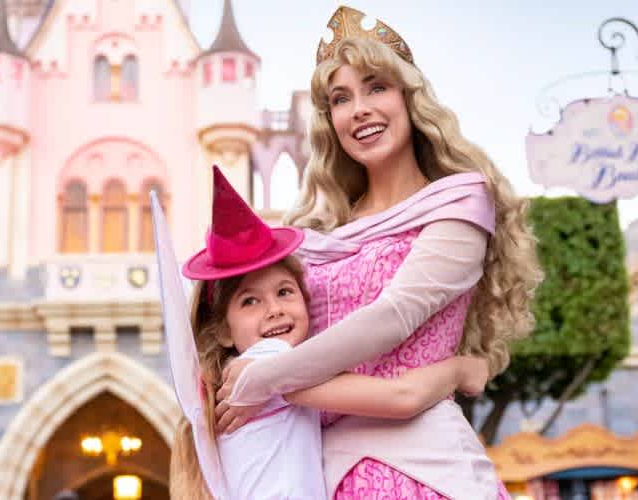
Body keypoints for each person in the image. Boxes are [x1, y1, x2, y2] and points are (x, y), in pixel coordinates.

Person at [214, 5, 542, 499]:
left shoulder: (458, 204)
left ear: (410, 98)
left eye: (376, 87)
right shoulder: (318, 234)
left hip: (426, 471)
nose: (359, 109)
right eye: (341, 99)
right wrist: (452, 373)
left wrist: (265, 381)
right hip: (320, 473)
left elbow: (394, 317)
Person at [166, 166, 492, 499]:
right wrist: (462, 369)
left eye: (285, 292)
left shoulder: (232, 380)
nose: (274, 309)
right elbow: (402, 397)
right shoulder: (268, 364)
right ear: (222, 331)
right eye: (250, 301)